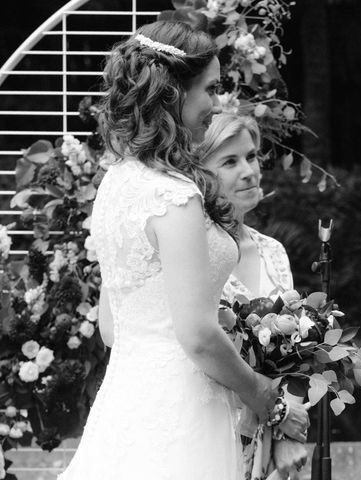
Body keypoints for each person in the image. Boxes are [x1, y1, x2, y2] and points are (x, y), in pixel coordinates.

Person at [59, 21, 303, 479]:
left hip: (128, 400)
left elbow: (112, 328)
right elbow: (196, 334)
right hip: (185, 405)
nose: (215, 103)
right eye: (209, 89)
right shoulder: (175, 196)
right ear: (173, 93)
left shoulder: (116, 182)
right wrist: (260, 392)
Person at [198, 112, 308, 479]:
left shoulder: (273, 251)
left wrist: (284, 433)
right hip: (211, 430)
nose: (249, 170)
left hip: (268, 441)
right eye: (230, 161)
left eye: (251, 156)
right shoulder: (193, 252)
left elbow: (294, 355)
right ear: (200, 173)